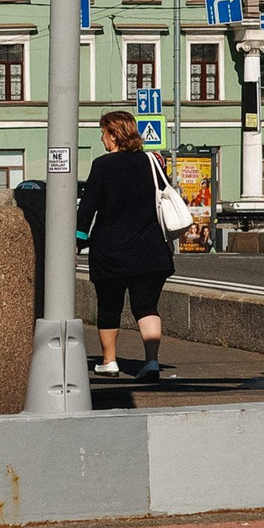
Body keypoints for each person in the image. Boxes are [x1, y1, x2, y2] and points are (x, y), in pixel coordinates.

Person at [76, 109, 174, 381]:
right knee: (146, 306)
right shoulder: (151, 162)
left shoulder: (102, 165)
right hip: (150, 249)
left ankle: (109, 361)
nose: (101, 138)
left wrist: (77, 240)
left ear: (114, 134)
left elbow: (88, 208)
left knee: (109, 306)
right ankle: (152, 362)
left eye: (104, 133)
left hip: (112, 250)